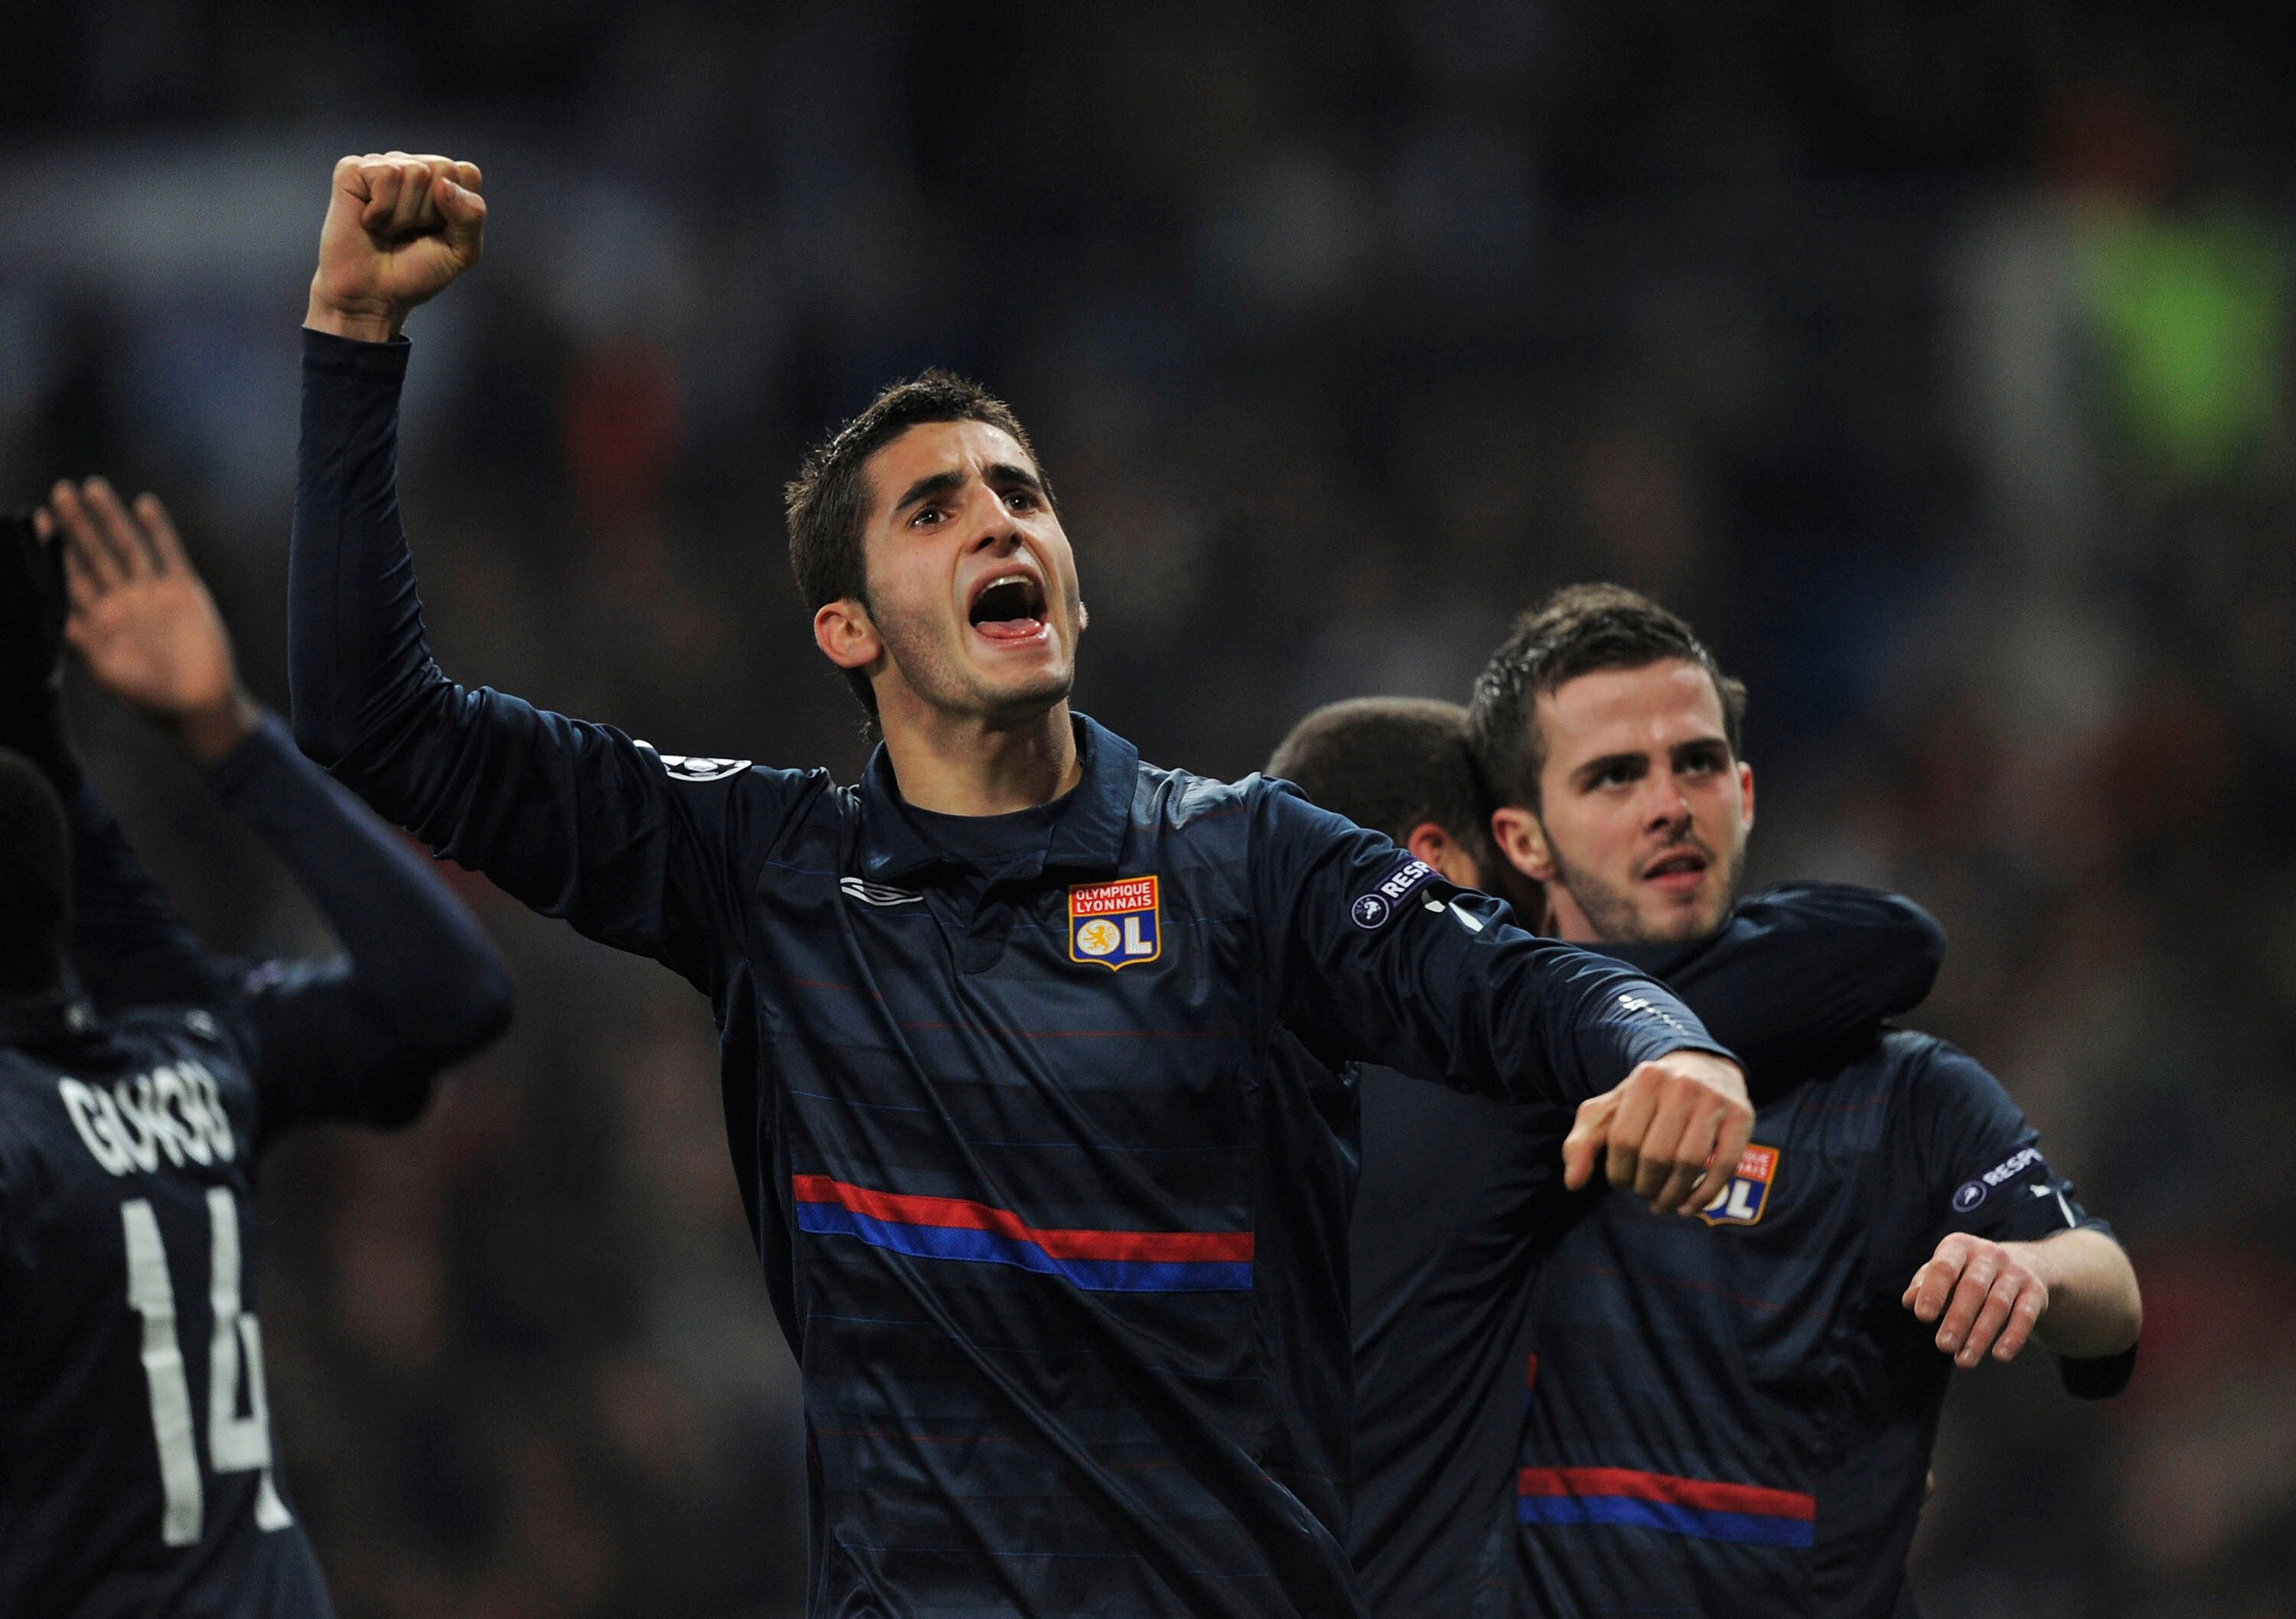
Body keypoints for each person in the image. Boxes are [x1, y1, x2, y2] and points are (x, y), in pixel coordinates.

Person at [289, 151, 1751, 1617]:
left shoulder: (1248, 862)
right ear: (846, 630)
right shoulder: (768, 874)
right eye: (934, 509)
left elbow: (1519, 985)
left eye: (1022, 494)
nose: (999, 520)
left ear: (1072, 581)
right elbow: (375, 721)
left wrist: (1666, 1042)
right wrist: (354, 340)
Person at [1468, 584, 2142, 1617]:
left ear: (1743, 791)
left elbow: (2108, 1294)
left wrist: (2026, 1269)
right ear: (1523, 837)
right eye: (1613, 777)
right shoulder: (1455, 1079)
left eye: (1695, 763)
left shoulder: (1895, 1087)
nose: (1669, 804)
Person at [1264, 697, 1946, 1617]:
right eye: (1523, 859)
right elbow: (1881, 948)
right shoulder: (1480, 1070)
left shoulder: (1189, 1072)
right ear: (1431, 865)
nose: (1546, 902)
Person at [0, 484, 514, 1617]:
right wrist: (221, 733)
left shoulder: (45, 1122)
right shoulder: (187, 1056)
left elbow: (452, 999)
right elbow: (452, 992)